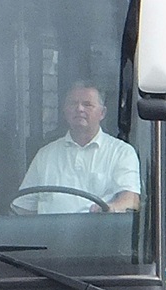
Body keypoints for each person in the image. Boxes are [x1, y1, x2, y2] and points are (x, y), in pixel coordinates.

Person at [14, 81, 140, 214]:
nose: (79, 109)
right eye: (73, 103)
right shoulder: (45, 155)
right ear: (64, 111)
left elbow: (131, 200)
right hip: (50, 234)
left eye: (87, 104)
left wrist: (112, 208)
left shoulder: (121, 153)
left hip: (101, 233)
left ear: (102, 113)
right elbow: (22, 208)